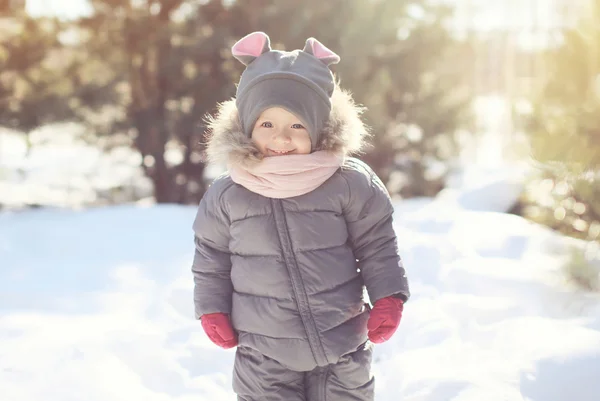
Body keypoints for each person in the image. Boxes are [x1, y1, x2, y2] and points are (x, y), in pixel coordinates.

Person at [191, 31, 410, 401]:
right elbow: (211, 259)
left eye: (296, 125)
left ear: (319, 128)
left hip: (341, 341)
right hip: (264, 351)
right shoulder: (229, 194)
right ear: (247, 127)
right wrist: (211, 308)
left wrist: (389, 295)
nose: (281, 139)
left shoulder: (347, 182)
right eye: (266, 125)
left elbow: (377, 244)